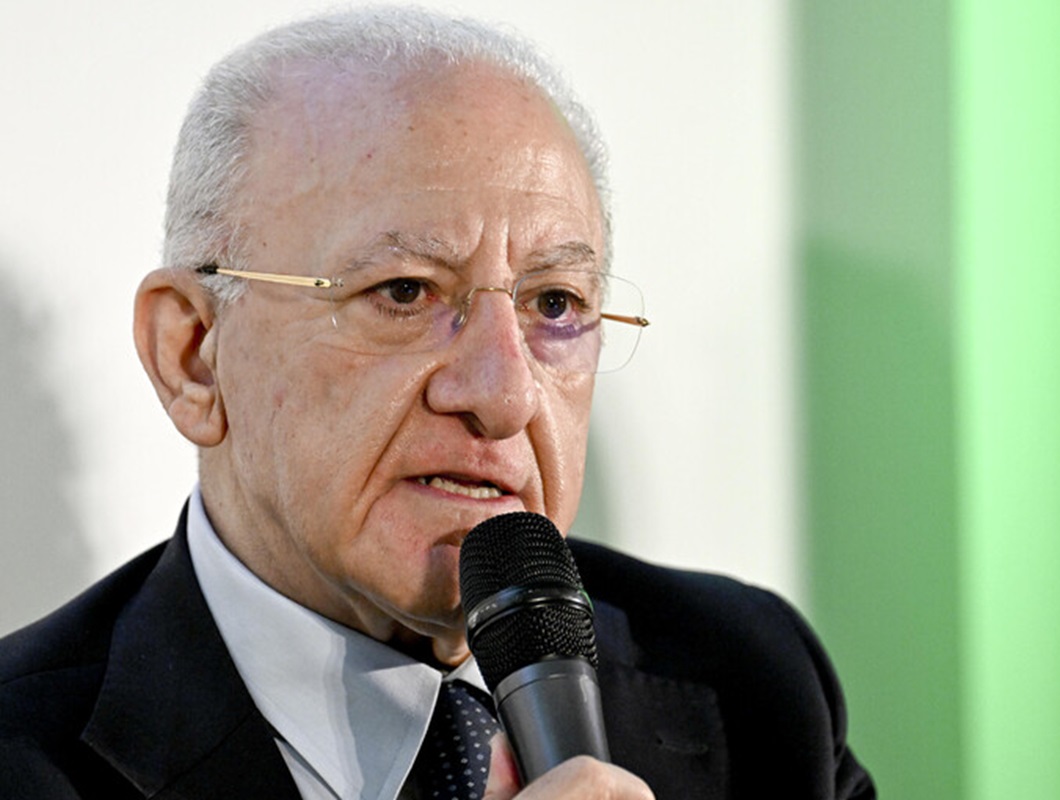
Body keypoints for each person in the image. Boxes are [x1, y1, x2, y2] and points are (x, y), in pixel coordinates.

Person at [0, 7, 874, 799]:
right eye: (405, 292)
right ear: (193, 355)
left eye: (555, 303)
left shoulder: (754, 682)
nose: (503, 395)